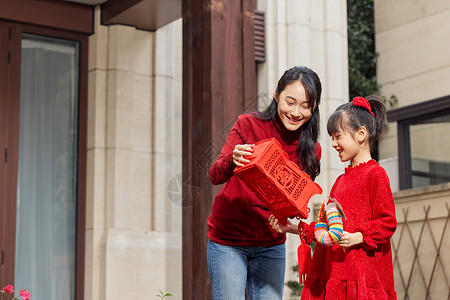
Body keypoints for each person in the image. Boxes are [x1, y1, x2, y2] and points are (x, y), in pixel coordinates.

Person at [207, 66, 323, 300]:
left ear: (314, 108)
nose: (296, 112)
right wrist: (233, 160)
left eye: (305, 106)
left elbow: (293, 204)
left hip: (271, 243)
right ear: (276, 95)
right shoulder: (248, 124)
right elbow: (214, 175)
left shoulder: (311, 151)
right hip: (228, 239)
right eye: (290, 102)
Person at [269, 95, 397, 299]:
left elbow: (388, 222)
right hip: (334, 271)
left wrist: (359, 237)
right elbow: (326, 228)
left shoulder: (376, 174)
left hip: (361, 276)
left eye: (338, 136)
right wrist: (291, 228)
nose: (333, 143)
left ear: (361, 134)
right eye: (332, 137)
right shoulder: (339, 182)